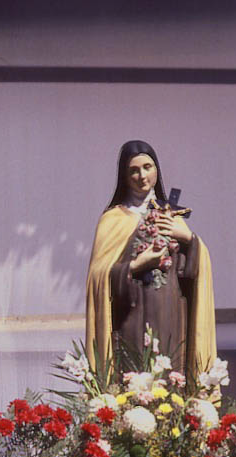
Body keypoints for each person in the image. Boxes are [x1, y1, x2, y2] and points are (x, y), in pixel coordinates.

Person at [85, 139, 216, 380]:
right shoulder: (112, 220)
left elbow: (193, 273)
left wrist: (188, 239)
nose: (142, 176)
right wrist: (136, 265)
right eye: (134, 170)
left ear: (157, 169)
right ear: (124, 176)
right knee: (135, 381)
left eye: (147, 167)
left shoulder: (171, 216)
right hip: (131, 318)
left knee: (170, 378)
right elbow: (98, 277)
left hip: (171, 313)